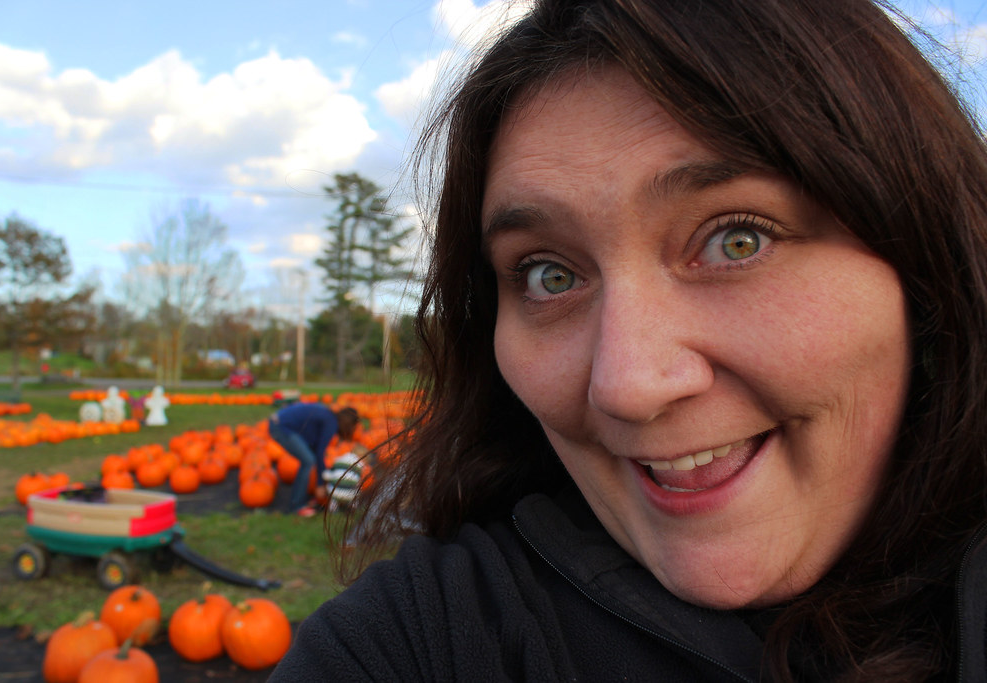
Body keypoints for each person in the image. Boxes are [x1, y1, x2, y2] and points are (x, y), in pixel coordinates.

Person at [270, 0, 987, 680]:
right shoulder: (421, 642)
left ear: (927, 264)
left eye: (737, 239)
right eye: (549, 275)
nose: (628, 385)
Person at [268, 402, 359, 517]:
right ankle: (297, 506)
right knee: (308, 461)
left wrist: (322, 477)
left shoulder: (328, 417)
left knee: (310, 458)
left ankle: (307, 497)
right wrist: (320, 484)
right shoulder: (331, 423)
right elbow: (320, 452)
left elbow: (316, 449)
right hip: (280, 427)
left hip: (278, 421)